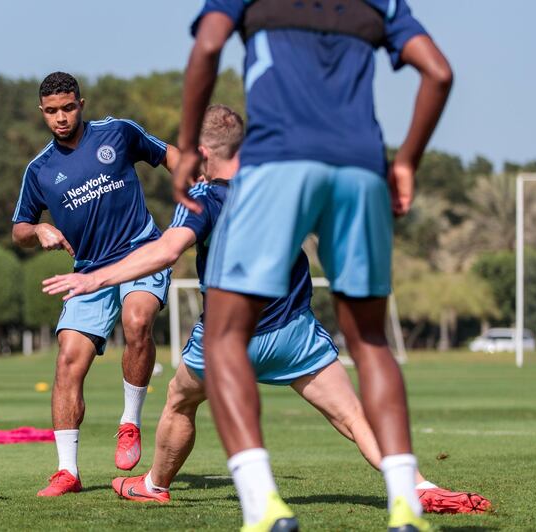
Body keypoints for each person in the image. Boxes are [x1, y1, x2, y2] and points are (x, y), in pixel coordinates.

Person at [43, 105, 489, 515]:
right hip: (292, 334)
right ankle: (420, 486)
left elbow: (165, 251)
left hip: (226, 344)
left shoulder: (202, 198)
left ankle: (154, 484)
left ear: (202, 152)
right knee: (353, 415)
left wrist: (95, 278)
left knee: (179, 402)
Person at [172, 2, 453, 530]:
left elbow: (208, 45)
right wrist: (407, 159)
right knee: (370, 341)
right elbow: (438, 72)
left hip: (278, 162)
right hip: (361, 168)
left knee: (224, 335)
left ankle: (263, 505)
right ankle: (404, 506)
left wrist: (189, 145)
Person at [12, 72, 180, 497]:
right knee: (69, 358)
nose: (61, 118)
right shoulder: (40, 170)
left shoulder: (118, 132)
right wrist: (39, 230)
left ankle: (129, 422)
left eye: (68, 108)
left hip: (142, 252)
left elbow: (169, 156)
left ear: (81, 104)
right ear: (42, 113)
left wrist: (205, 189)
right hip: (88, 271)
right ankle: (67, 472)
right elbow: (19, 228)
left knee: (138, 320)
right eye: (52, 111)